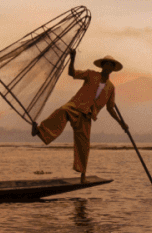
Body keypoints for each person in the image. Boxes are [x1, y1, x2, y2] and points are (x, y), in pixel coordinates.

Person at [34, 51, 128, 181]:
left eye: (110, 66)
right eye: (106, 65)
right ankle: (40, 131)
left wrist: (121, 122)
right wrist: (72, 59)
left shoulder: (111, 87)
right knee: (62, 111)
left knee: (84, 144)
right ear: (102, 66)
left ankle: (83, 174)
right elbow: (72, 73)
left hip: (87, 115)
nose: (108, 67)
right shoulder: (91, 74)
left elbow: (110, 108)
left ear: (112, 69)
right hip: (76, 105)